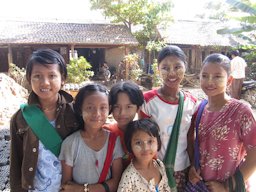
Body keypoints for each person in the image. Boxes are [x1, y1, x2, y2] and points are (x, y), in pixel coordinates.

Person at [9, 49, 79, 192]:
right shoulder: (20, 118)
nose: (45, 82)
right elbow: (16, 163)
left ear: (63, 78)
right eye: (37, 76)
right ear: (29, 79)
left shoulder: (75, 113)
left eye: (52, 75)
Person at [188, 53, 256, 192]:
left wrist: (228, 186)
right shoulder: (200, 109)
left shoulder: (241, 111)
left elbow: (254, 152)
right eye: (205, 76)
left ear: (229, 80)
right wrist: (191, 168)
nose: (210, 81)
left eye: (217, 76)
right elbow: (197, 145)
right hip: (202, 186)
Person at [139, 45, 198, 191]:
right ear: (157, 69)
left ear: (186, 67)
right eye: (165, 67)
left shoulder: (192, 103)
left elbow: (191, 138)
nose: (172, 73)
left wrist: (192, 166)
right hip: (156, 169)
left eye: (177, 66)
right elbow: (142, 138)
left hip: (183, 169)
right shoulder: (147, 101)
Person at [59, 83, 124, 192]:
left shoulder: (113, 141)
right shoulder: (70, 143)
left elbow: (117, 182)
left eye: (103, 108)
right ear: (80, 109)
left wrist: (83, 189)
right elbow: (66, 186)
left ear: (109, 109)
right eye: (90, 107)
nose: (97, 113)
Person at [117, 118, 171, 192]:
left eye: (150, 141)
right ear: (130, 145)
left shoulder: (160, 165)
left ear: (158, 142)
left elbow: (166, 188)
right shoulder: (129, 177)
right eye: (138, 143)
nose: (146, 148)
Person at [104, 80, 144, 168]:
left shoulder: (144, 135)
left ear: (138, 108)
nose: (122, 113)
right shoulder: (105, 133)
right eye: (117, 107)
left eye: (129, 107)